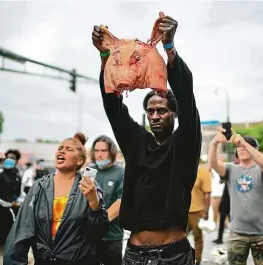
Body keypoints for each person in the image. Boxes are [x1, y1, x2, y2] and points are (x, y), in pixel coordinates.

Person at [92, 11, 201, 265]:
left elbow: (186, 97)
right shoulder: (137, 143)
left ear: (174, 114)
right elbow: (114, 108)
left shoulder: (185, 144)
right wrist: (105, 55)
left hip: (173, 255)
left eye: (162, 110)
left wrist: (170, 47)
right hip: (134, 256)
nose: (154, 115)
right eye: (150, 111)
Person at [3, 133, 109, 265]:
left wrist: (94, 203)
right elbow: (21, 231)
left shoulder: (89, 188)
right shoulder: (39, 187)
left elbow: (99, 232)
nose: (62, 150)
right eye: (60, 148)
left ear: (80, 160)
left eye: (69, 149)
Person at [208, 128, 263, 265]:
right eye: (239, 147)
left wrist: (244, 143)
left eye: (245, 147)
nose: (242, 149)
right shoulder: (232, 169)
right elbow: (213, 164)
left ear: (254, 150)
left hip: (261, 233)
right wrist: (214, 143)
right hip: (237, 233)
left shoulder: (260, 169)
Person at [89, 135, 124, 265]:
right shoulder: (90, 172)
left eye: (103, 151)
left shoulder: (120, 173)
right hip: (90, 236)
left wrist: (100, 222)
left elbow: (120, 202)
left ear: (111, 152)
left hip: (111, 236)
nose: (99, 154)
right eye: (96, 151)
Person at [0, 149, 22, 249]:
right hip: (0, 213)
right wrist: (7, 204)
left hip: (14, 212)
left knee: (13, 242)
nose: (9, 160)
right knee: (2, 243)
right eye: (7, 157)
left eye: (12, 158)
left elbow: (19, 193)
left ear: (17, 161)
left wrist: (18, 202)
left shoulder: (17, 175)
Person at [187, 159, 212, 265]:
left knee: (198, 237)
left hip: (197, 211)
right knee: (180, 236)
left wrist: (206, 212)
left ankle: (197, 259)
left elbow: (207, 194)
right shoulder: (183, 169)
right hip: (182, 210)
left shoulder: (203, 172)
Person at [213, 180, 230, 245]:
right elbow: (221, 181)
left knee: (233, 222)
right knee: (221, 221)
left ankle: (235, 239)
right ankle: (219, 238)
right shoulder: (228, 178)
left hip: (231, 203)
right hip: (225, 201)